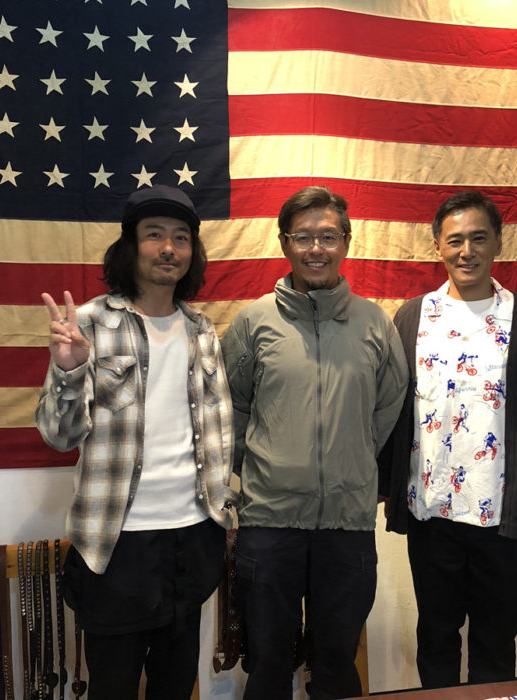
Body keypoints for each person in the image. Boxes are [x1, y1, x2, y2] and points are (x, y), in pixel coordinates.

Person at [35, 185, 237, 700]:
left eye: (181, 237)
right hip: (117, 544)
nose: (169, 248)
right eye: (154, 235)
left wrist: (224, 509)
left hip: (193, 537)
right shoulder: (89, 324)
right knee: (114, 687)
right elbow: (59, 436)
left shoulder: (202, 330)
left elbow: (218, 431)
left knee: (176, 685)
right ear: (131, 246)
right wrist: (69, 371)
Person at [379, 190, 517, 688]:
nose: (466, 251)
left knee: (495, 645)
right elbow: (393, 408)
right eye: (455, 241)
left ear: (498, 243)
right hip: (432, 513)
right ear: (437, 246)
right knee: (436, 639)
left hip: (502, 518)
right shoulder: (412, 317)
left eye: (478, 238)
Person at [220, 185, 408, 700]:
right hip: (269, 524)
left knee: (336, 664)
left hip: (347, 526)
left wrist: (351, 459)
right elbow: (229, 409)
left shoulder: (374, 323)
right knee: (267, 665)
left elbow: (388, 408)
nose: (316, 248)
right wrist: (265, 468)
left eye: (328, 236)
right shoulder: (253, 322)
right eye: (303, 237)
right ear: (285, 243)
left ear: (347, 241)